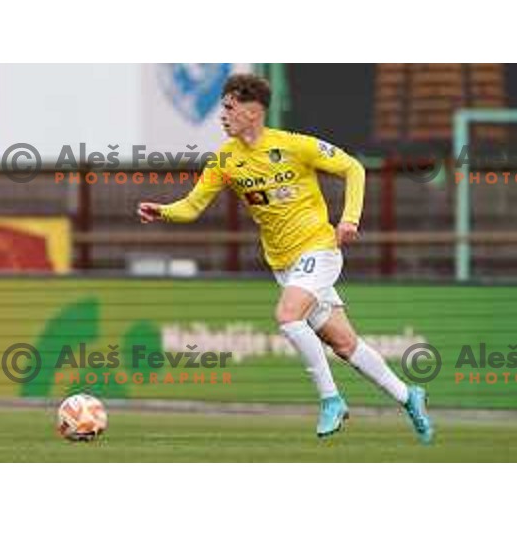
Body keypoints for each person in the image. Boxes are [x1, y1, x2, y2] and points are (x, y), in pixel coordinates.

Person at [137, 73, 433, 443]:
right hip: (284, 265)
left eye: (229, 108)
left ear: (253, 111)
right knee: (344, 345)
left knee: (287, 315)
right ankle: (409, 396)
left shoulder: (293, 145)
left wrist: (350, 219)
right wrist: (162, 211)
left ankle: (331, 400)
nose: (222, 116)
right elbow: (193, 206)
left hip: (319, 249)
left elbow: (352, 168)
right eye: (222, 108)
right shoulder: (225, 160)